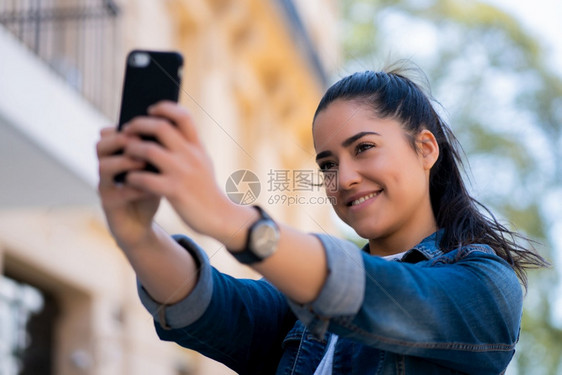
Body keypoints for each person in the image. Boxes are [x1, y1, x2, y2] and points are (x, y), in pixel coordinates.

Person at [96, 66, 548, 374]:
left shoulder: (485, 285)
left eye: (364, 148)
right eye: (328, 164)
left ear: (425, 149)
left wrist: (226, 217)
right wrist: (138, 234)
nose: (344, 178)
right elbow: (212, 305)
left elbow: (376, 294)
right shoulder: (301, 299)